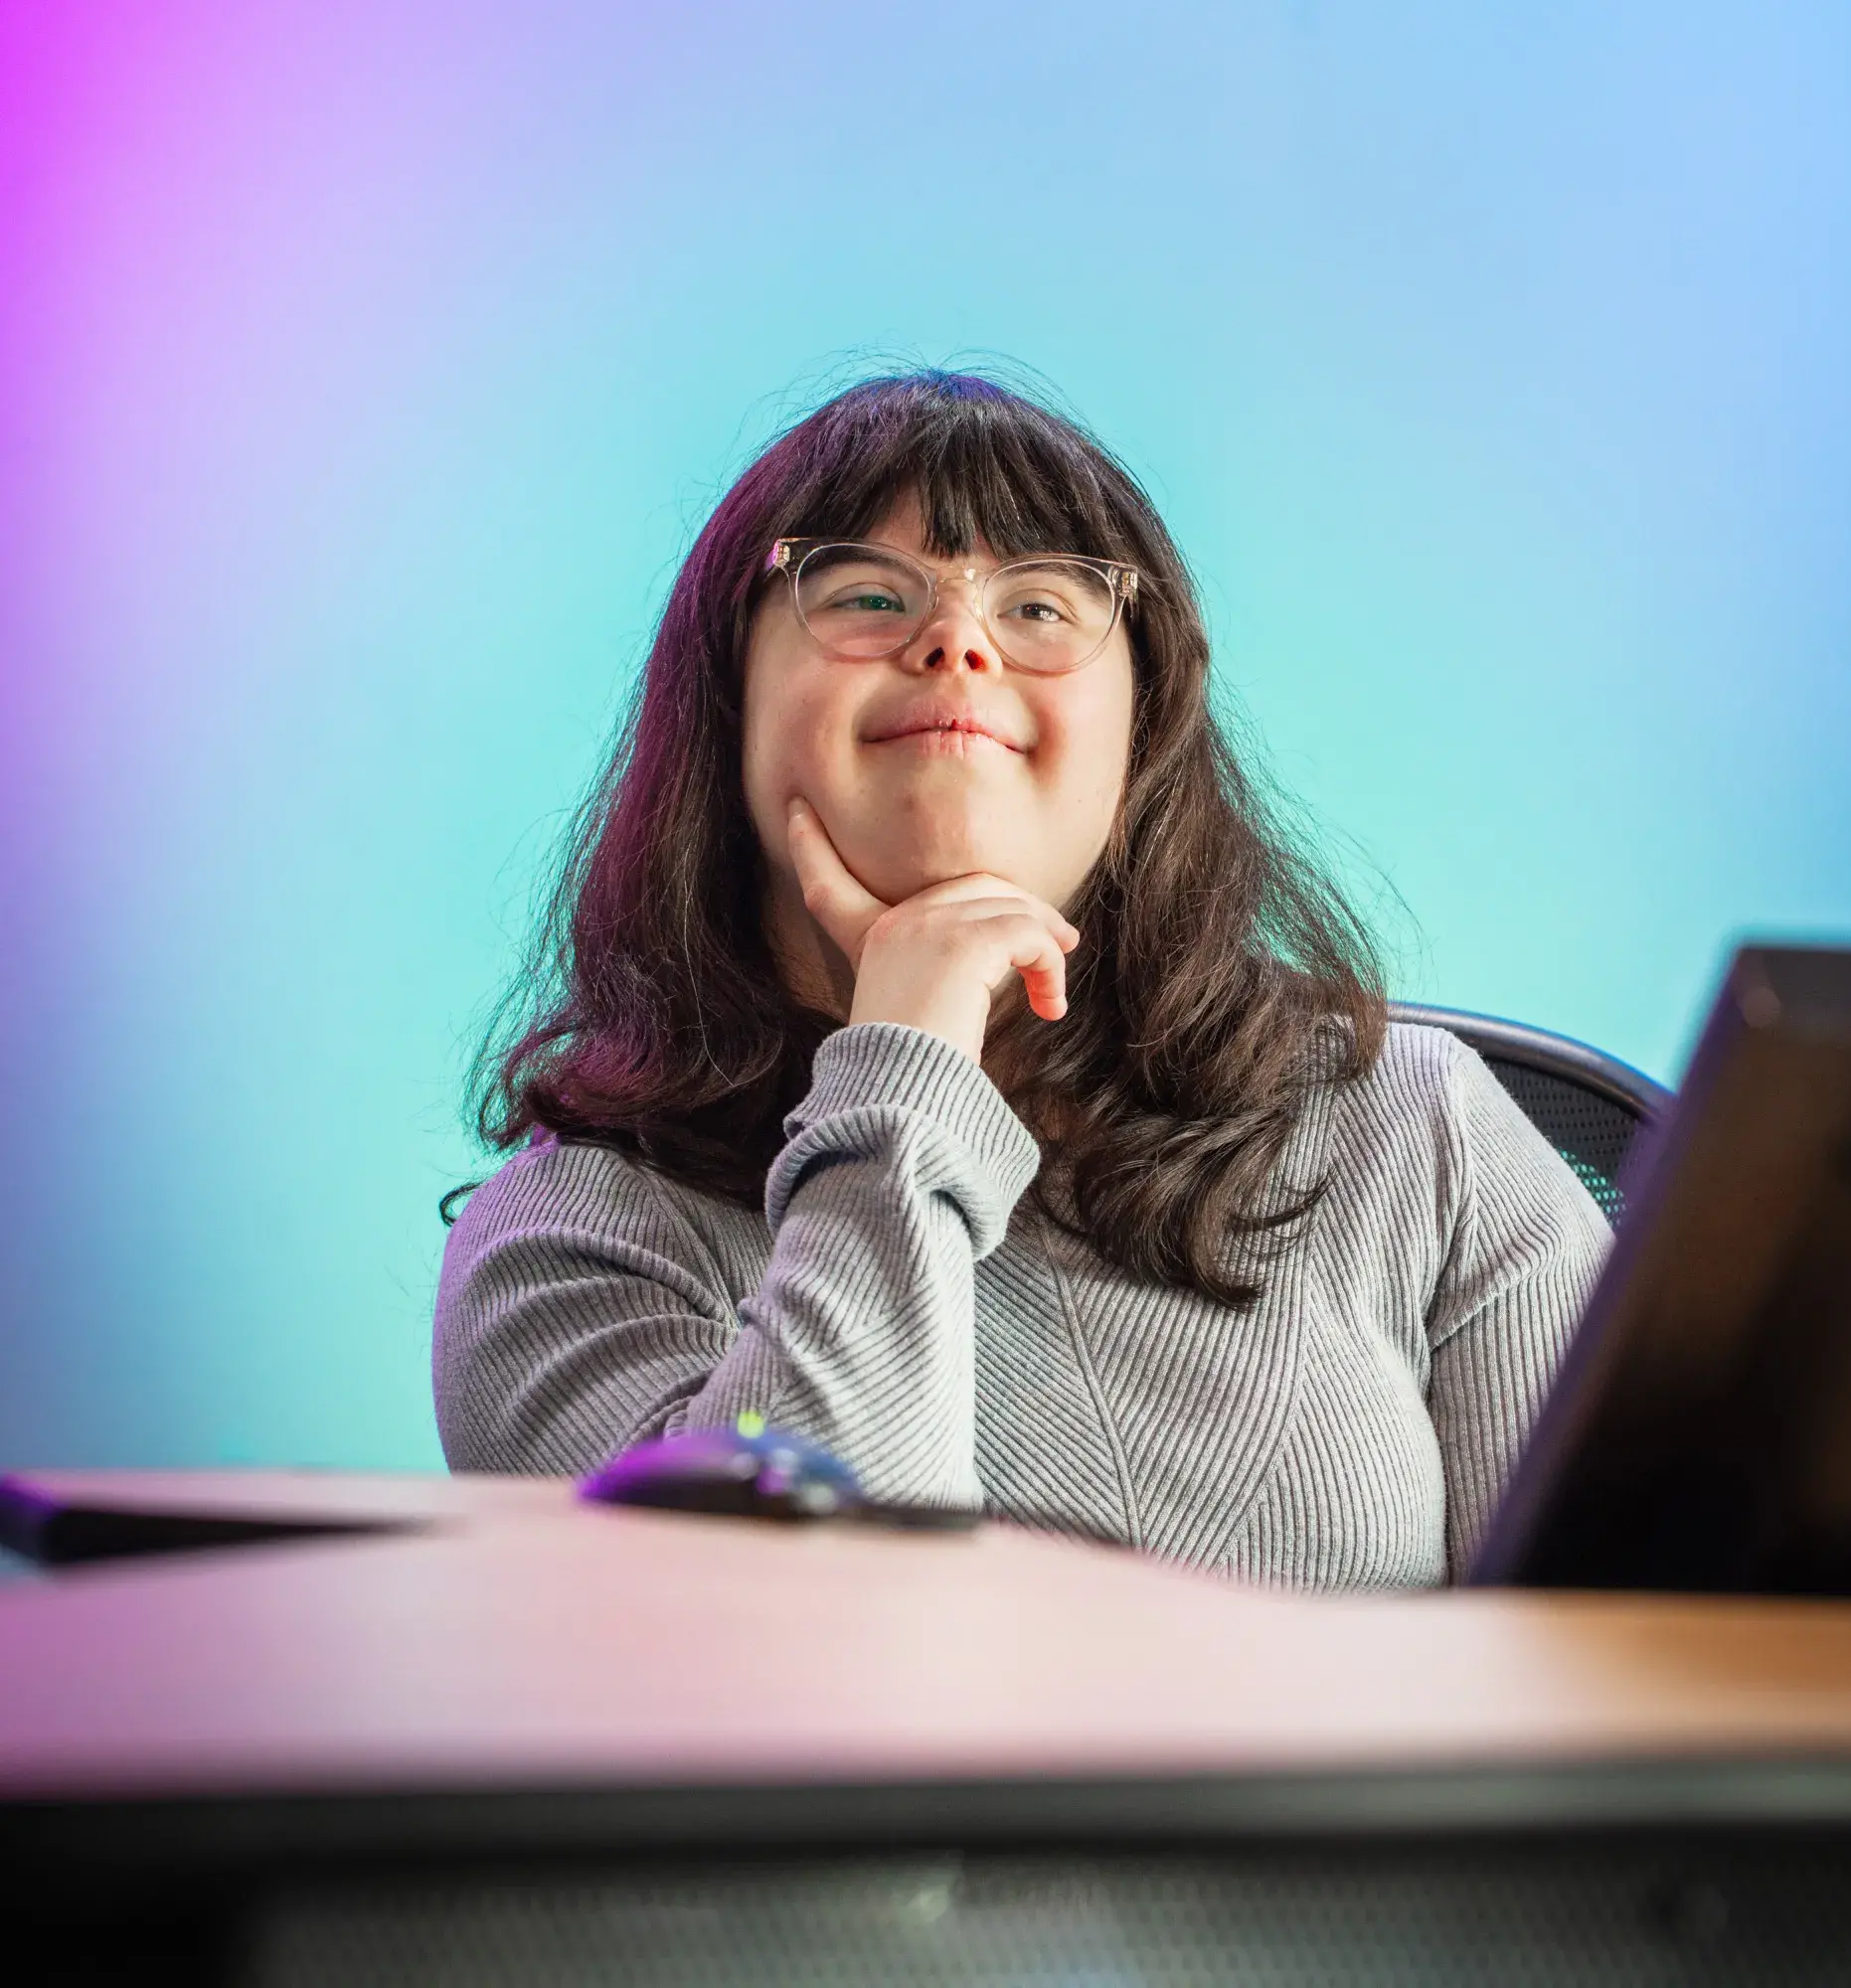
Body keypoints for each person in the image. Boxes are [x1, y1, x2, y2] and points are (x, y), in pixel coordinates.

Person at [433, 369, 1610, 1587]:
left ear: (1142, 732)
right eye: (868, 594)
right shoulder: (570, 1241)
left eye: (1041, 606)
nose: (958, 641)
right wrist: (905, 1069)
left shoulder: (1419, 1130)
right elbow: (801, 1627)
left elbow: (1623, 1648)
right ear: (726, 702)